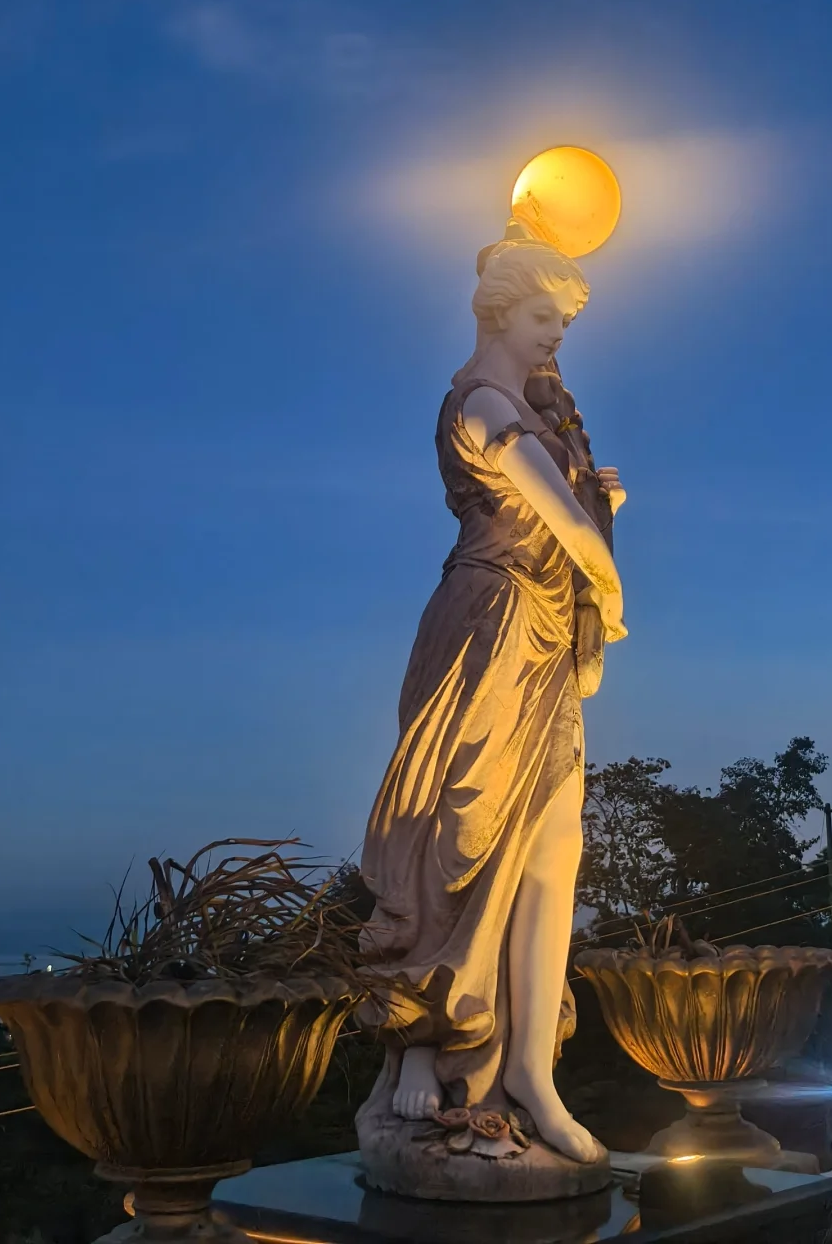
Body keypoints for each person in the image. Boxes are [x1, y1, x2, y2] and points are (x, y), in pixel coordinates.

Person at [358, 230, 626, 1164]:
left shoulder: (543, 410)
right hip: (490, 627)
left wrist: (599, 507)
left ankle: (533, 1076)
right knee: (457, 839)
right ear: (500, 310)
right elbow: (563, 527)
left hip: (546, 631)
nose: (558, 334)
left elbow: (574, 513)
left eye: (567, 320)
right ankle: (424, 1044)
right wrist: (612, 582)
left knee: (557, 845)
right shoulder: (479, 403)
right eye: (546, 316)